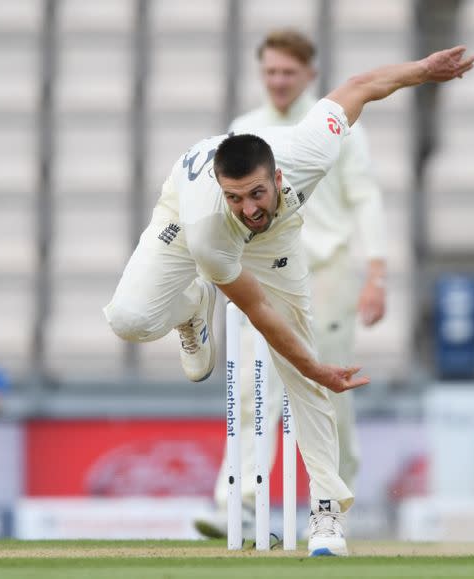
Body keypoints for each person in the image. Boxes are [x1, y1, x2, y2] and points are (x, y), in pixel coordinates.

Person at [103, 46, 474, 556]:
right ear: (221, 188)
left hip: (278, 246)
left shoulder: (307, 151)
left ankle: (326, 516)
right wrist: (314, 364)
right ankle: (192, 306)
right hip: (188, 216)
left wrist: (423, 72)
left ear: (278, 178)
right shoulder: (212, 226)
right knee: (129, 320)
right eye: (235, 197)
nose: (248, 207)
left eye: (256, 194)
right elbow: (257, 312)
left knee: (303, 371)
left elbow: (362, 85)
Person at [194, 29, 389, 542]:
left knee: (329, 388)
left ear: (309, 75)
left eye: (288, 72)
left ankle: (331, 503)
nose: (278, 81)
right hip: (262, 274)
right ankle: (239, 501)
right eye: (270, 72)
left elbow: (364, 196)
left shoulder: (335, 125)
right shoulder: (244, 130)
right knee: (251, 390)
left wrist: (377, 271)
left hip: (325, 273)